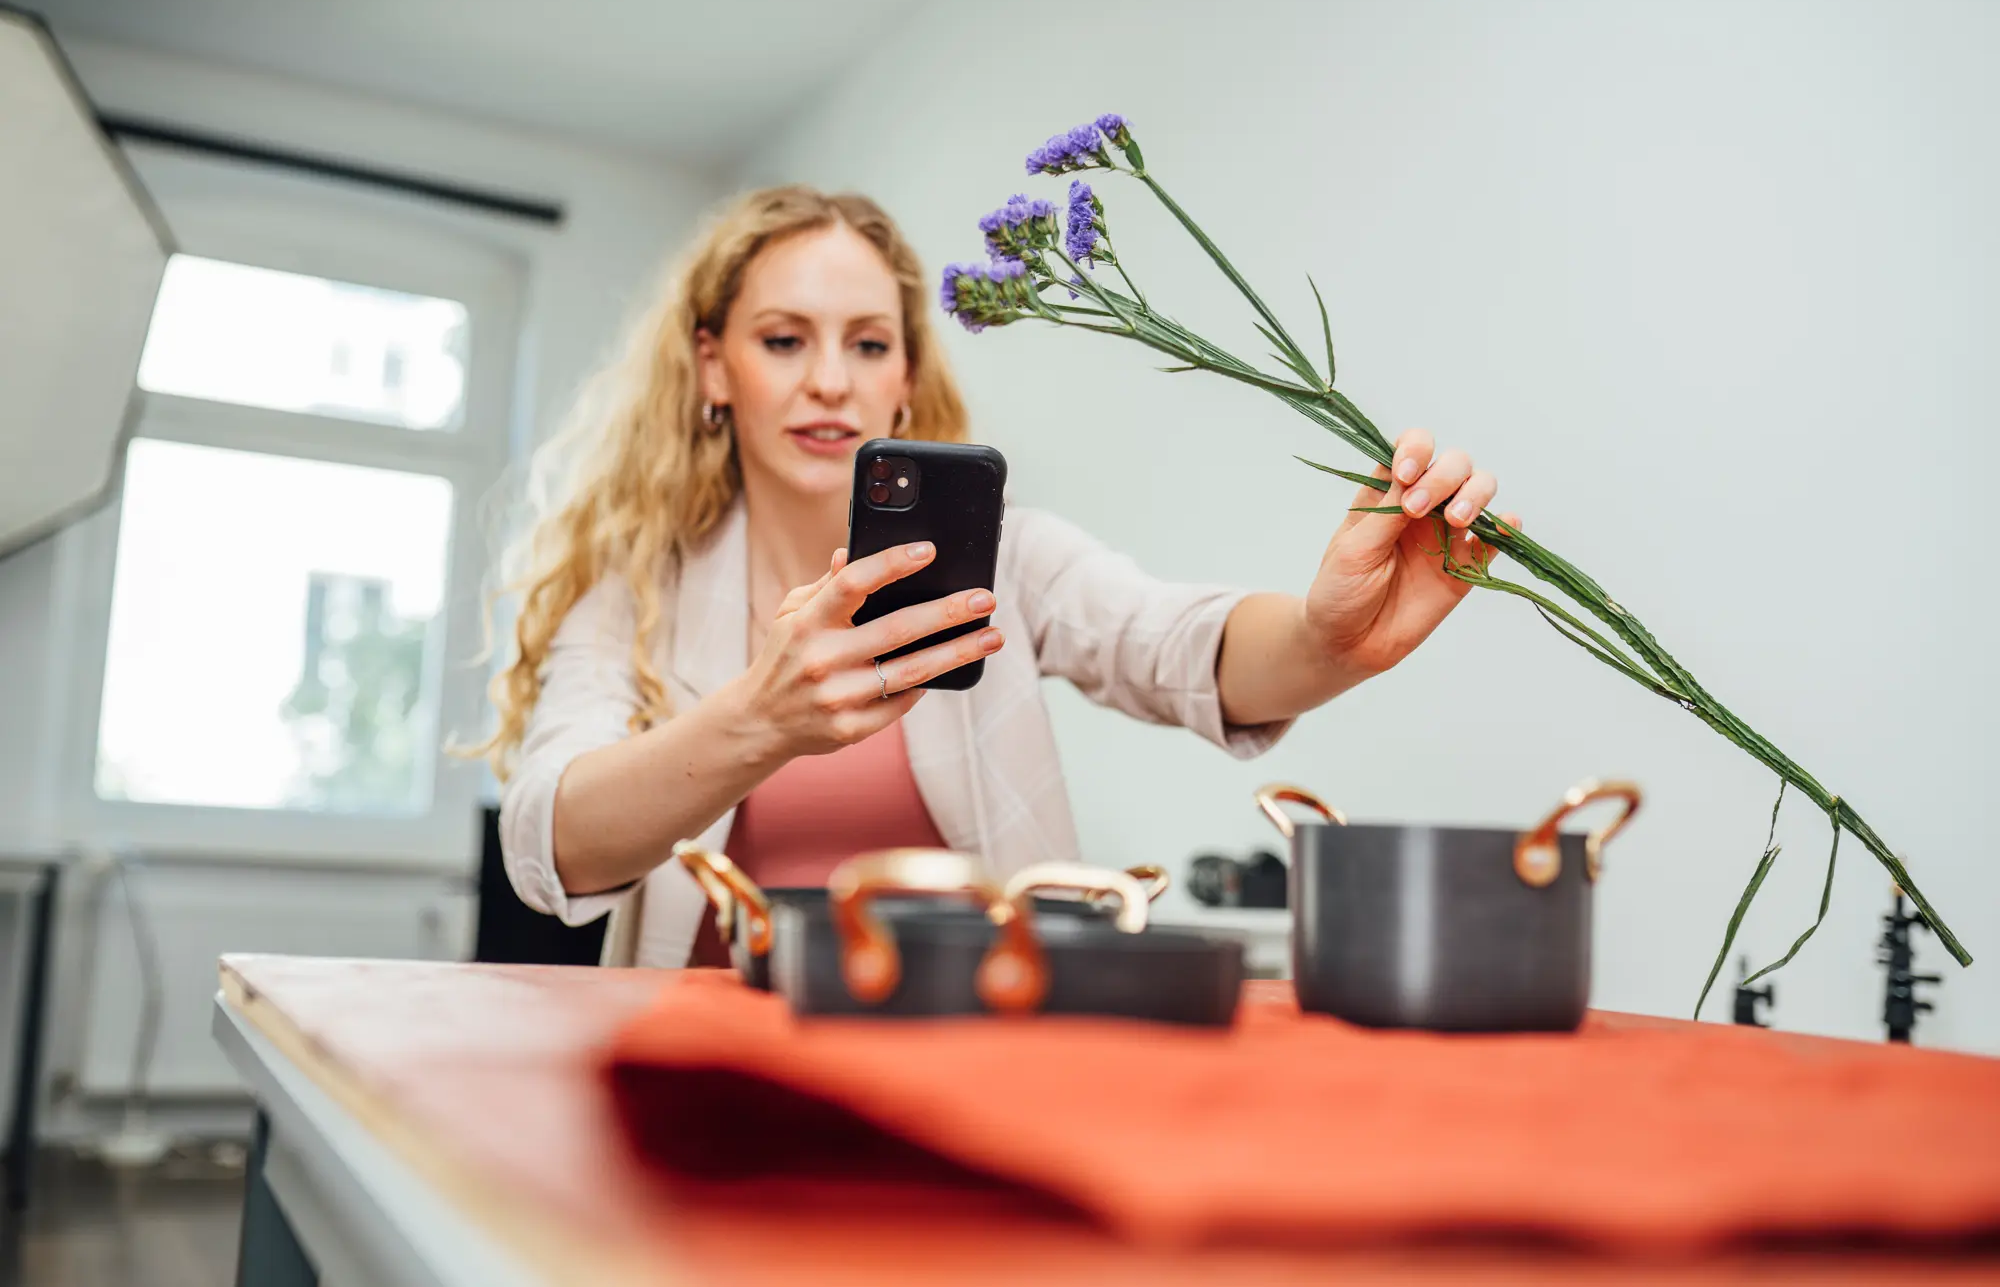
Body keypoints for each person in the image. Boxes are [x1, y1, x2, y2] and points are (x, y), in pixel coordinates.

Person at [479, 185, 1514, 969]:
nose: (828, 380)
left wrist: (1328, 637)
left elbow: (1172, 642)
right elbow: (548, 842)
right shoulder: (629, 584)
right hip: (719, 1088)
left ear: (903, 379)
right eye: (783, 340)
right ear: (713, 367)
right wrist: (760, 717)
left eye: (867, 343)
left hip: (983, 1064)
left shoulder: (1006, 560)